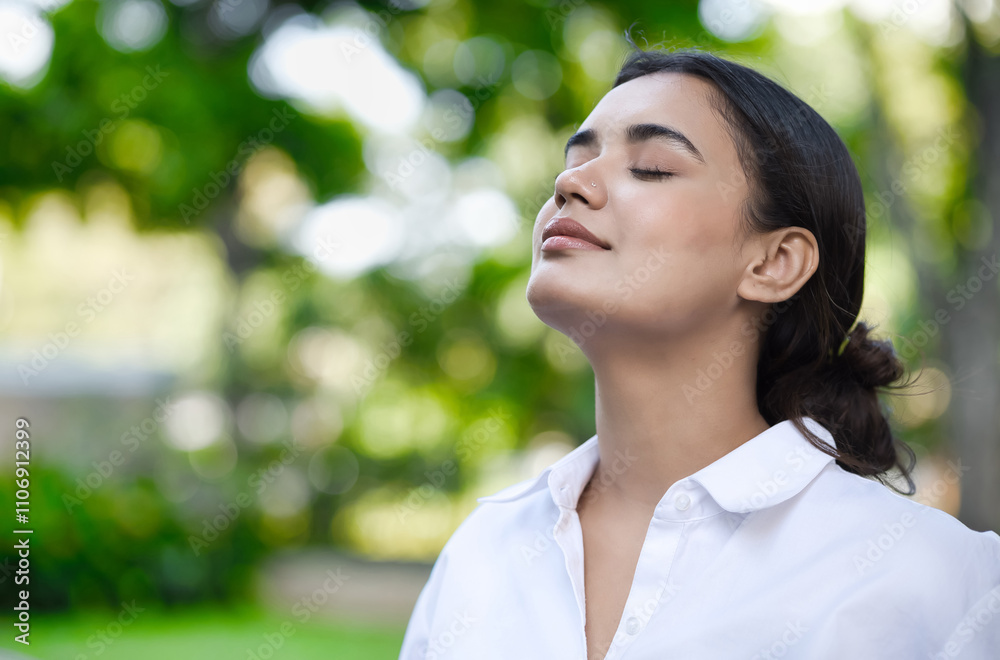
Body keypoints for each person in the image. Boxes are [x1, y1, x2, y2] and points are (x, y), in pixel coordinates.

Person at [398, 44, 1000, 659]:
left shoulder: (938, 580)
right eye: (576, 161)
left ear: (774, 262)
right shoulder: (481, 552)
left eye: (651, 167)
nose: (568, 183)